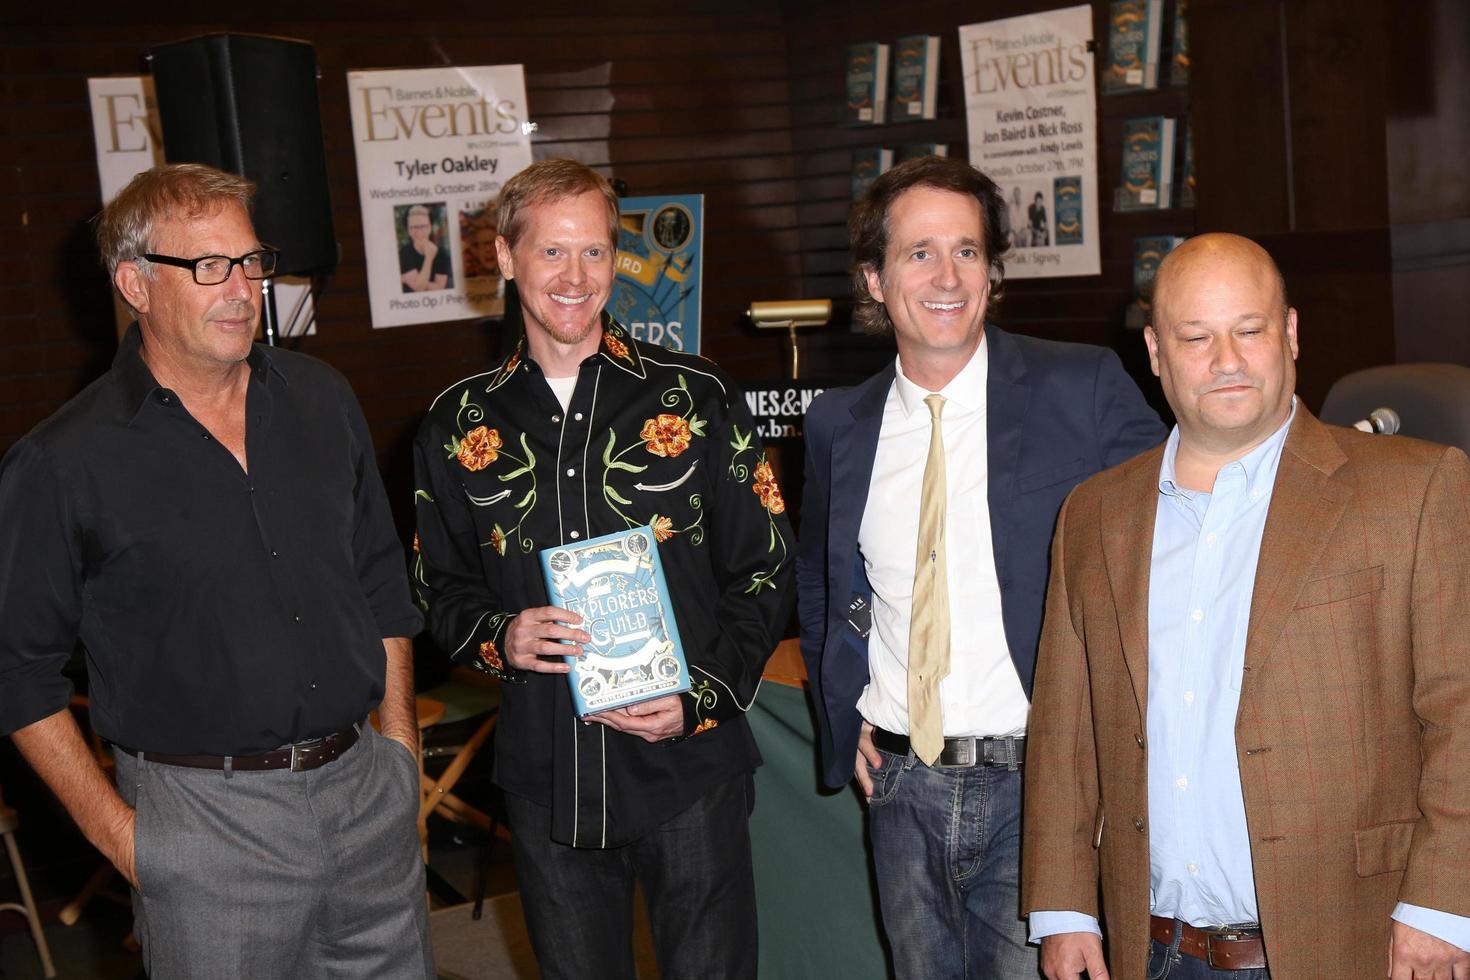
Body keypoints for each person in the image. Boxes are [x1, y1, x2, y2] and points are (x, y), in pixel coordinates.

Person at [0, 163, 432, 978]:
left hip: (365, 795)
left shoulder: (321, 398)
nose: (241, 290)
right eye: (207, 268)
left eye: (251, 262)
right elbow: (16, 674)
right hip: (204, 825)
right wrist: (128, 841)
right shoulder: (64, 462)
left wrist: (401, 753)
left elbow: (382, 583)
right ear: (135, 283)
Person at [1023, 233, 1470, 980]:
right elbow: (1067, 730)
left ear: (1290, 333)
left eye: (1249, 330)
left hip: (1359, 944)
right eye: (1196, 337)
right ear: (1156, 354)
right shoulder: (1094, 515)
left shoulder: (1418, 490)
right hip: (1151, 950)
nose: (1226, 359)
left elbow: (1462, 708)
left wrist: (1441, 905)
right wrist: (1064, 910)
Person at [412, 157, 794, 980]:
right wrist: (498, 637)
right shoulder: (456, 422)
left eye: (595, 252)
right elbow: (437, 587)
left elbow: (766, 569)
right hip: (549, 777)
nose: (576, 277)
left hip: (690, 771)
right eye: (552, 252)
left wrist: (700, 699)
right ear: (507, 258)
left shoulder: (697, 397)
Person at [796, 155, 1163, 979]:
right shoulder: (837, 424)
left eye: (967, 251)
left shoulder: (1084, 387)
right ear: (875, 279)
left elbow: (1171, 541)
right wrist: (843, 708)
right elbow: (821, 578)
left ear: (993, 274)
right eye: (919, 252)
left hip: (1042, 785)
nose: (947, 275)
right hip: (897, 785)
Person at [399, 203, 450, 292]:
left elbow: (439, 288)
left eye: (423, 226)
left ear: (430, 228)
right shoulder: (404, 252)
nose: (419, 232)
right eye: (414, 227)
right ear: (408, 231)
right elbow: (419, 288)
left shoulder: (442, 254)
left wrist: (408, 280)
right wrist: (429, 258)